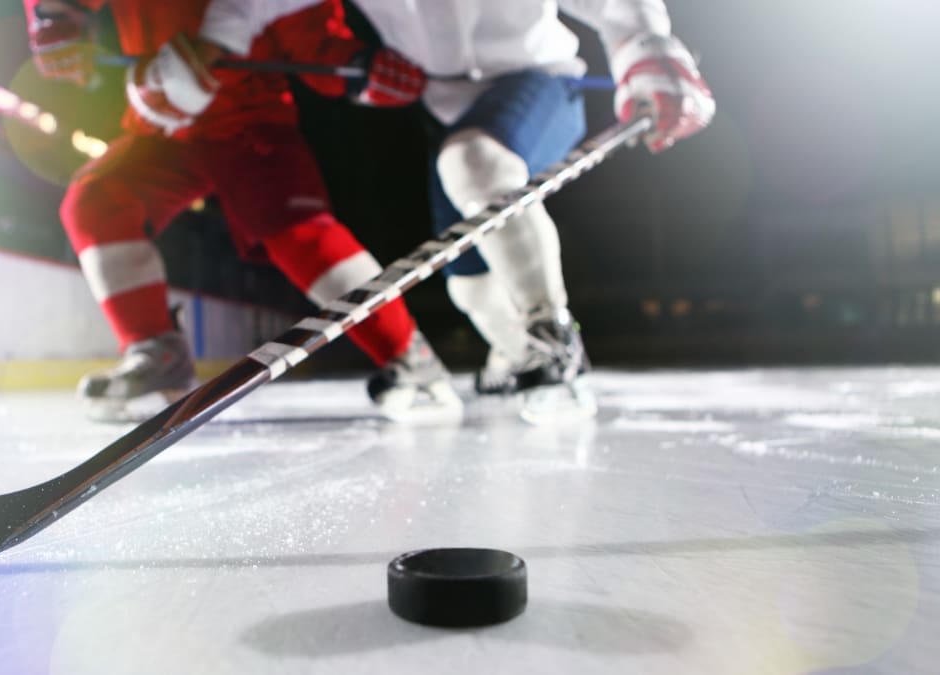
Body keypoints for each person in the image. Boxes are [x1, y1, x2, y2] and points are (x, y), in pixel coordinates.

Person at [176, 0, 715, 422]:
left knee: (474, 162)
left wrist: (649, 48)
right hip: (451, 111)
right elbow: (248, 7)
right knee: (470, 286)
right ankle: (515, 351)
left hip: (541, 81)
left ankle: (553, 340)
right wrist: (205, 50)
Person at [23, 0, 460, 420]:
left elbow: (309, 28)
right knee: (96, 202)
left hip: (253, 121)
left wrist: (358, 68)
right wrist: (52, 17)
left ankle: (410, 357)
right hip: (163, 122)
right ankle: (157, 354)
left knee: (304, 238)